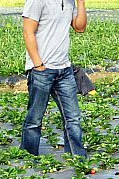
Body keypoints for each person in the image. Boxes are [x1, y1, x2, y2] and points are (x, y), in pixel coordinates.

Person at [20, 0, 87, 157]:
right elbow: (28, 32)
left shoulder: (70, 2)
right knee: (35, 119)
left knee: (73, 118)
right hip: (42, 69)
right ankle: (28, 159)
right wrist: (38, 64)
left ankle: (77, 159)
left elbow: (80, 27)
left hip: (64, 69)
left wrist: (81, 3)